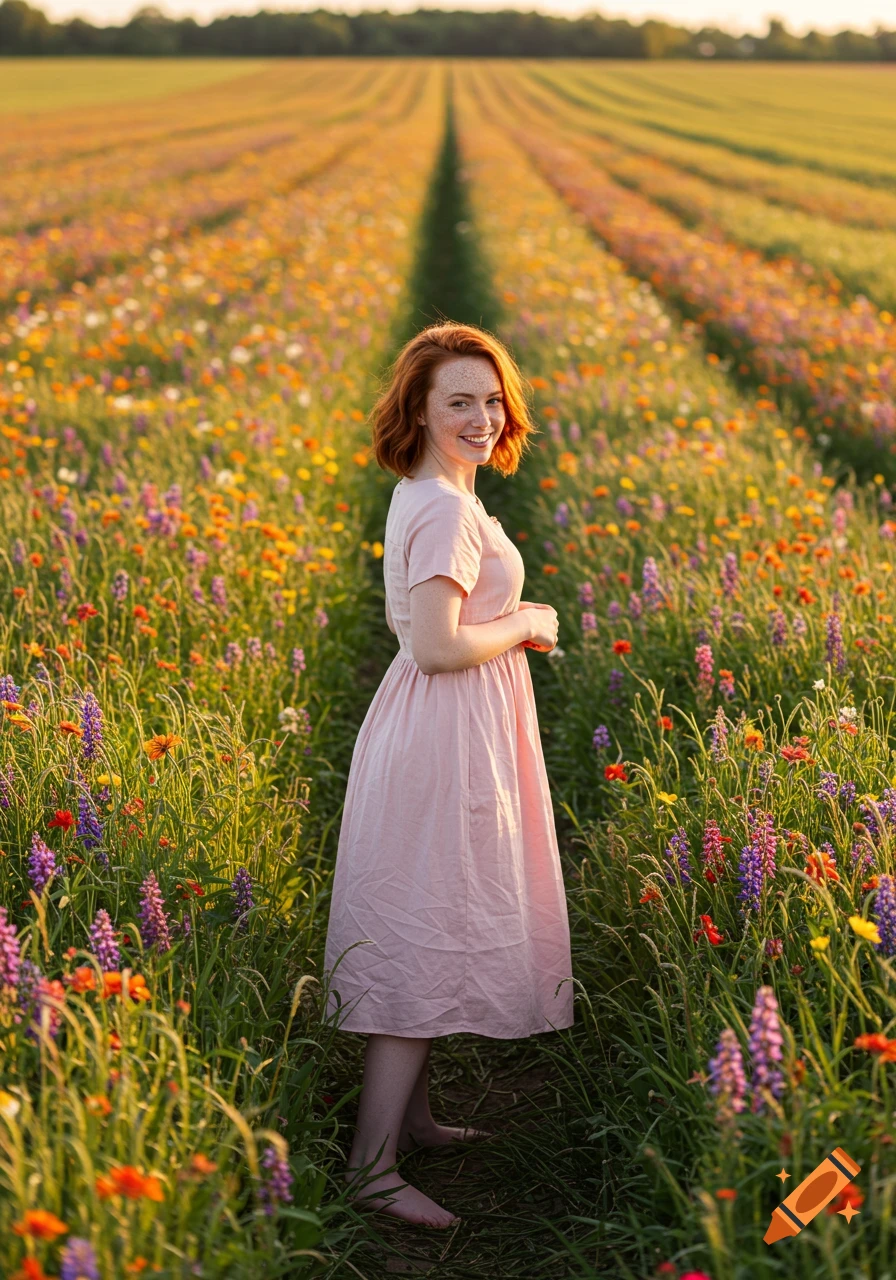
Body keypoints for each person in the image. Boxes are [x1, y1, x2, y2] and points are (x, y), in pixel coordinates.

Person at [321, 321, 575, 1229]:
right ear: (420, 412)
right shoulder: (441, 506)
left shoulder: (438, 494)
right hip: (442, 734)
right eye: (457, 401)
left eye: (490, 399)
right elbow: (434, 647)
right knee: (422, 927)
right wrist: (529, 621)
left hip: (451, 731)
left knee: (435, 913)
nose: (479, 416)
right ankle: (371, 1164)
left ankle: (413, 1119)